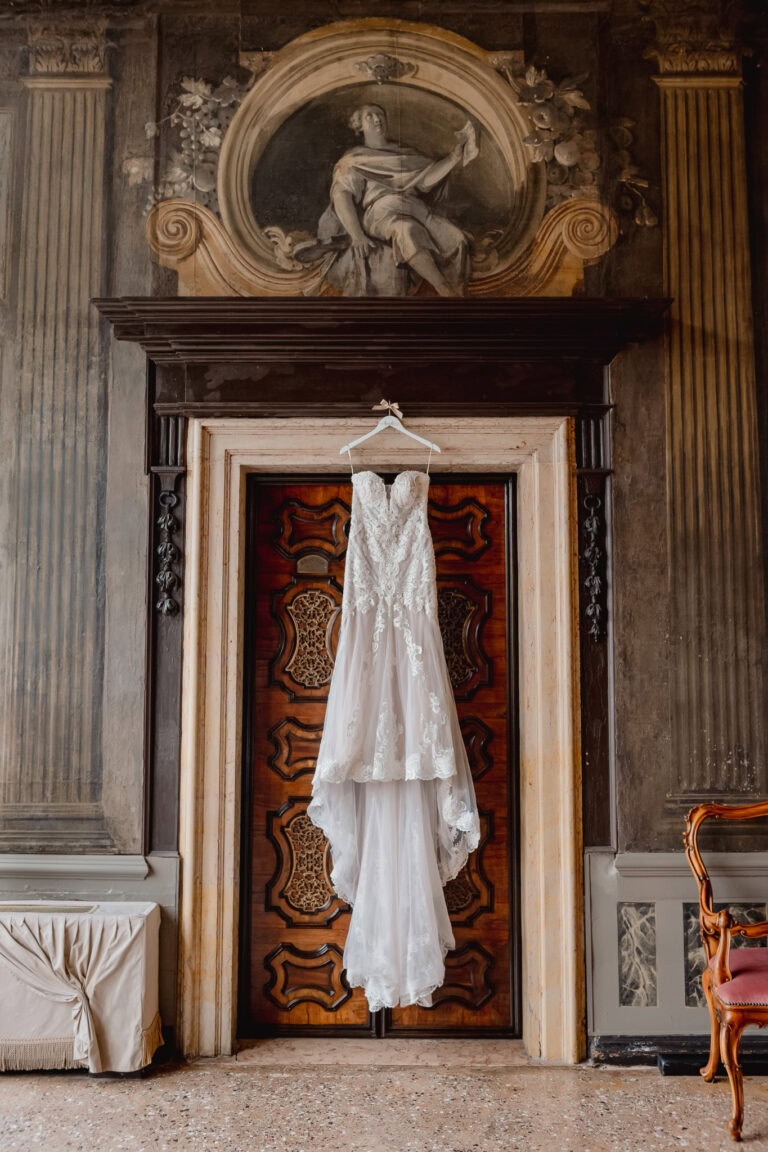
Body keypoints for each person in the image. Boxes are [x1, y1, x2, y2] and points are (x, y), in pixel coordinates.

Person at [317, 103, 479, 296]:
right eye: (370, 116)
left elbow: (424, 181)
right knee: (407, 230)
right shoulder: (354, 159)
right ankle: (443, 289)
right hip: (381, 212)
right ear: (358, 125)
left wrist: (454, 157)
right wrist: (356, 234)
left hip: (416, 208)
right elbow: (342, 195)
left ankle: (458, 294)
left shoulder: (406, 154)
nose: (377, 119)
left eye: (380, 114)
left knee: (456, 239)